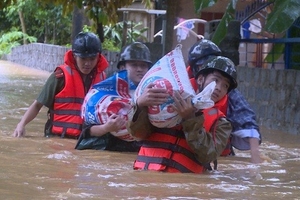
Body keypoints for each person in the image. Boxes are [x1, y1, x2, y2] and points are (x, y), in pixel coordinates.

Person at [127, 56, 238, 173]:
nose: (219, 88)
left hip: (183, 187)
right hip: (146, 178)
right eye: (215, 80)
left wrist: (190, 119)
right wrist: (140, 105)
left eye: (225, 86)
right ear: (200, 79)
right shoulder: (167, 97)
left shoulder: (221, 123)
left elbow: (208, 155)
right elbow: (136, 134)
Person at [13, 32, 109, 139]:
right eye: (83, 59)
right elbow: (37, 105)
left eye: (92, 59)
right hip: (59, 137)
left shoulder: (103, 80)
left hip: (88, 137)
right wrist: (21, 125)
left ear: (98, 58)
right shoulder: (59, 77)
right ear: (74, 56)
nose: (87, 63)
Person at [187, 39, 262, 163]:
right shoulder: (179, 85)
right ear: (196, 70)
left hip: (218, 155)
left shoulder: (227, 92)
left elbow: (248, 123)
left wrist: (256, 162)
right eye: (203, 64)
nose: (218, 87)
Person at [75, 42, 153, 151]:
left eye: (143, 65)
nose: (139, 69)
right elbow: (87, 130)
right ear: (122, 67)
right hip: (109, 149)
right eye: (134, 65)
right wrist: (106, 127)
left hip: (136, 152)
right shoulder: (104, 93)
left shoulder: (153, 92)